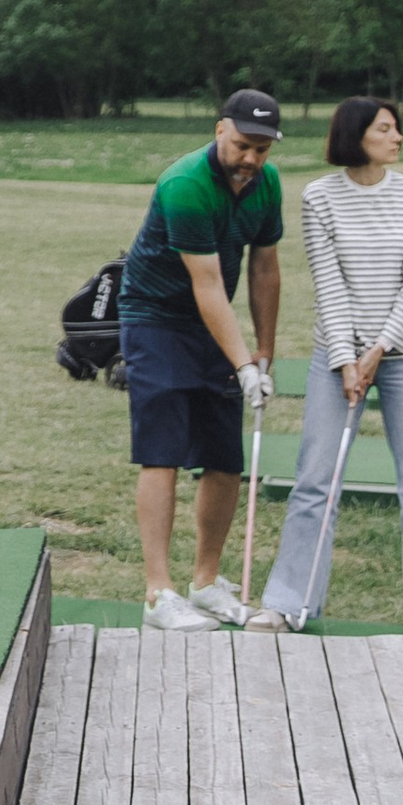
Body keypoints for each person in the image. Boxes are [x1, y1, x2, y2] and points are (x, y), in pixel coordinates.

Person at [250, 96, 403, 646]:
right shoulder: (320, 196)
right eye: (386, 129)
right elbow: (330, 284)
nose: (398, 138)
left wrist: (377, 352)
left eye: (397, 129)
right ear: (356, 135)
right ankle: (286, 605)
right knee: (315, 481)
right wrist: (346, 359)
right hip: (334, 357)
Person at [116, 89, 283, 630]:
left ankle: (206, 583)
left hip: (217, 325)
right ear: (219, 130)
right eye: (242, 145)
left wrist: (263, 351)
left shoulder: (267, 183)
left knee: (223, 455)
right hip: (156, 319)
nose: (251, 160)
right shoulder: (186, 183)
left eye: (262, 149)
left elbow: (264, 269)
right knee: (162, 451)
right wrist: (241, 364)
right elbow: (207, 284)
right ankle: (158, 593)